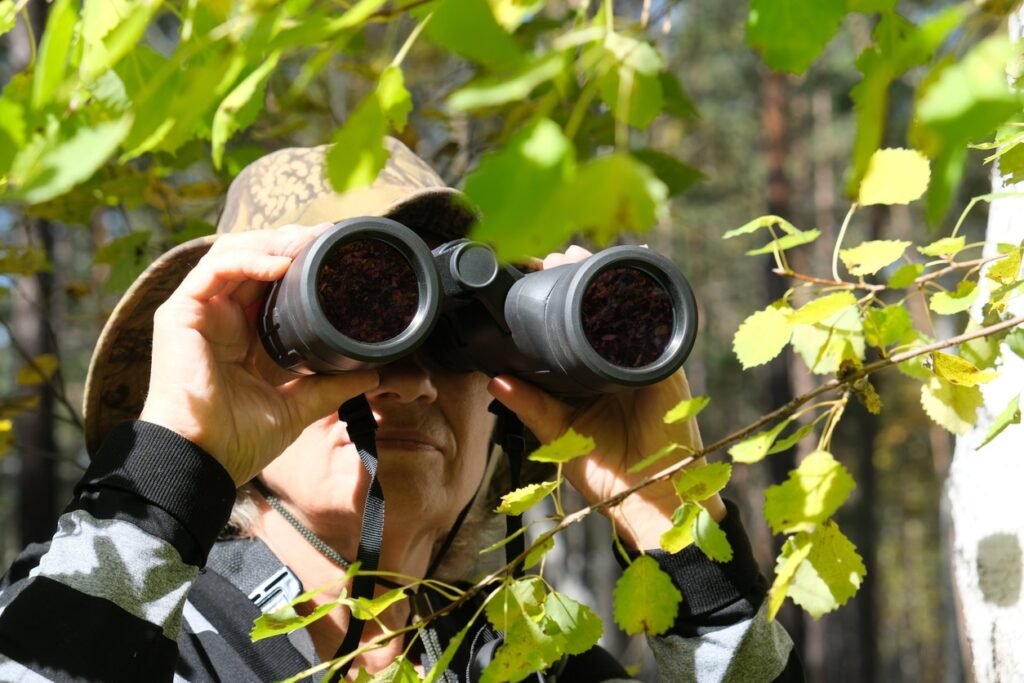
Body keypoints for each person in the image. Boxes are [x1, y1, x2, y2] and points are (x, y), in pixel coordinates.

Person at [0, 139, 800, 682]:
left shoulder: (527, 665)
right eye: (353, 334)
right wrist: (166, 473)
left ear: (509, 407)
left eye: (455, 346)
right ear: (246, 364)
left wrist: (674, 522)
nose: (411, 384)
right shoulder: (119, 620)